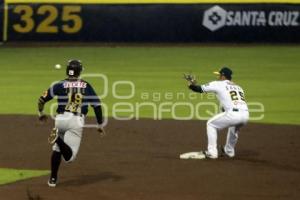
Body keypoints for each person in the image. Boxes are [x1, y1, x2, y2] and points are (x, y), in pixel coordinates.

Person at [38, 59, 105, 187]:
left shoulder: (59, 84)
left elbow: (41, 100)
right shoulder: (86, 85)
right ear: (79, 72)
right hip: (76, 121)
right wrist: (100, 124)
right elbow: (96, 106)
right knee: (70, 158)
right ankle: (57, 138)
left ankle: (52, 179)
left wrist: (40, 114)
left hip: (60, 120)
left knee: (57, 150)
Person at [185, 67, 249, 159]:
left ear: (223, 76)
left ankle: (212, 152)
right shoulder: (238, 87)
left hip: (233, 114)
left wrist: (191, 84)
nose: (218, 77)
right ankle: (229, 151)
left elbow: (199, 89)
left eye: (219, 75)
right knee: (233, 129)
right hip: (245, 115)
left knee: (211, 124)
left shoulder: (218, 84)